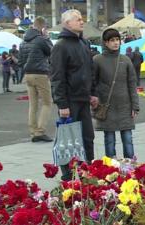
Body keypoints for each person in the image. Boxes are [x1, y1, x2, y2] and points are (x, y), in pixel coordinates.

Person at [50, 9, 98, 181]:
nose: (82, 21)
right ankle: (67, 176)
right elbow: (57, 77)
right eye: (77, 19)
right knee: (67, 140)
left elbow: (90, 71)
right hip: (69, 101)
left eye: (81, 18)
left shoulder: (84, 43)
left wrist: (93, 94)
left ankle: (89, 170)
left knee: (88, 137)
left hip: (84, 99)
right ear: (67, 23)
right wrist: (62, 104)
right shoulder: (60, 46)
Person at [93, 28, 139, 159]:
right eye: (112, 40)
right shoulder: (97, 60)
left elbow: (132, 84)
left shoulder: (125, 60)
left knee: (128, 139)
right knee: (109, 139)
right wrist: (96, 102)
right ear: (105, 43)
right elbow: (92, 83)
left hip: (125, 106)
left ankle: (131, 167)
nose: (115, 43)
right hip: (107, 107)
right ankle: (111, 169)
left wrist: (135, 106)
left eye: (117, 39)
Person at [19, 16, 54, 142]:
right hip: (40, 74)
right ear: (43, 27)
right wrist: (47, 37)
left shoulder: (23, 42)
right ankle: (40, 131)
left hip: (28, 74)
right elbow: (52, 52)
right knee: (47, 103)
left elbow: (20, 61)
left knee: (33, 104)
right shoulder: (41, 40)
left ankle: (33, 131)